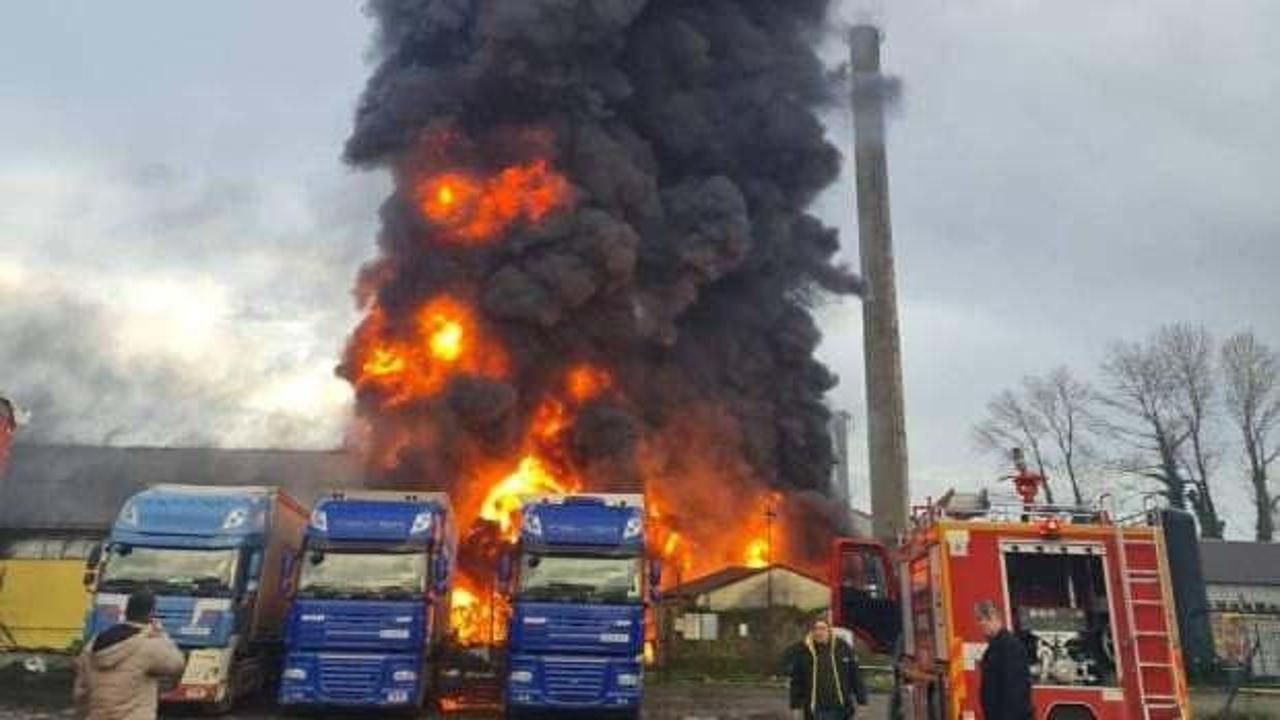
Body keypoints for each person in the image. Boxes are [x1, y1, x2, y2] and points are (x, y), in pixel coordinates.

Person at [73, 590, 186, 720]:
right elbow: (177, 664)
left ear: (126, 611)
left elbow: (81, 691)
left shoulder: (93, 644)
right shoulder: (150, 645)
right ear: (151, 614)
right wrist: (161, 635)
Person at [787, 615, 868, 720]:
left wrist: (862, 702)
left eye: (822, 628)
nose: (818, 632)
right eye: (815, 629)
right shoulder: (803, 652)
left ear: (829, 630)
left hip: (841, 709)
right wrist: (795, 706)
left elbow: (856, 677)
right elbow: (796, 682)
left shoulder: (843, 648)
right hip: (815, 710)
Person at [976, 600, 1033, 720]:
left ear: (993, 618)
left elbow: (1015, 692)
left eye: (982, 620)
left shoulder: (1010, 647)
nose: (980, 625)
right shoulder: (996, 647)